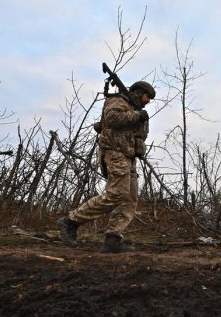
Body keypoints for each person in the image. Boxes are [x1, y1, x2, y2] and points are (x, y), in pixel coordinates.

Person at [57, 80, 155, 253]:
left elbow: (130, 133)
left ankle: (113, 239)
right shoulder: (119, 100)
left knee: (129, 198)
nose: (148, 101)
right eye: (148, 97)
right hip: (115, 153)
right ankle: (70, 221)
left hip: (128, 156)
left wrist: (139, 142)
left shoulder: (134, 108)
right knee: (117, 193)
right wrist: (137, 116)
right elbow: (111, 118)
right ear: (139, 93)